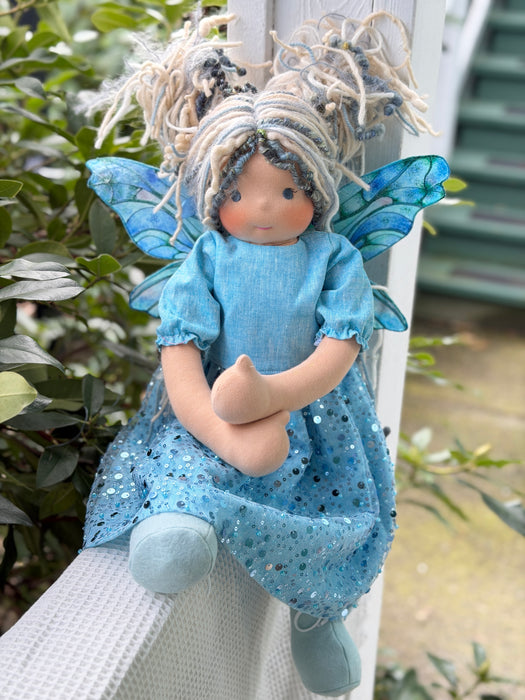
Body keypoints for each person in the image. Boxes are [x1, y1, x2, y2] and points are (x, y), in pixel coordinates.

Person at [84, 13, 432, 696]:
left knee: (330, 510)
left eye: (287, 191)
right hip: (212, 408)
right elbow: (180, 353)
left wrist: (272, 397)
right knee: (187, 468)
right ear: (215, 197)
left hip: (315, 411)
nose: (263, 209)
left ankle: (317, 616)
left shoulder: (333, 257)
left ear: (316, 193)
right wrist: (222, 431)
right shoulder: (208, 258)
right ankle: (176, 526)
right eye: (239, 193)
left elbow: (339, 348)